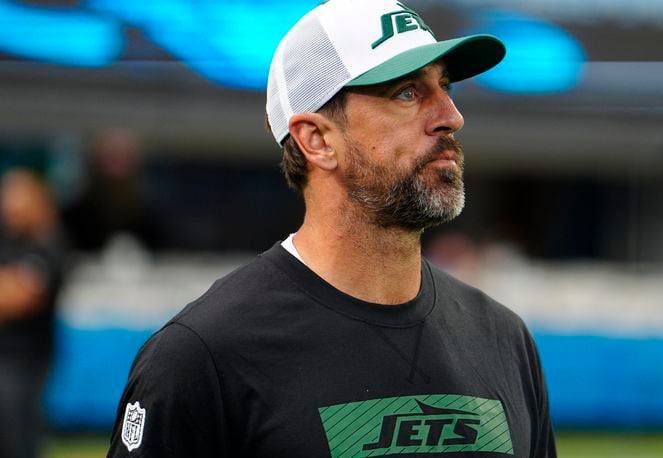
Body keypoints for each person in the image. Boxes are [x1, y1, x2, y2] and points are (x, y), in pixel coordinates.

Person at [108, 0, 556, 456]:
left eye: (445, 87)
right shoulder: (204, 356)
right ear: (317, 140)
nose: (451, 116)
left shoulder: (504, 339)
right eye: (407, 93)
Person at [0, 168, 66, 458]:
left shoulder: (48, 242)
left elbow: (20, 297)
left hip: (26, 358)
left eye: (17, 196)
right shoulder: (7, 242)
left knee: (18, 436)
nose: (9, 204)